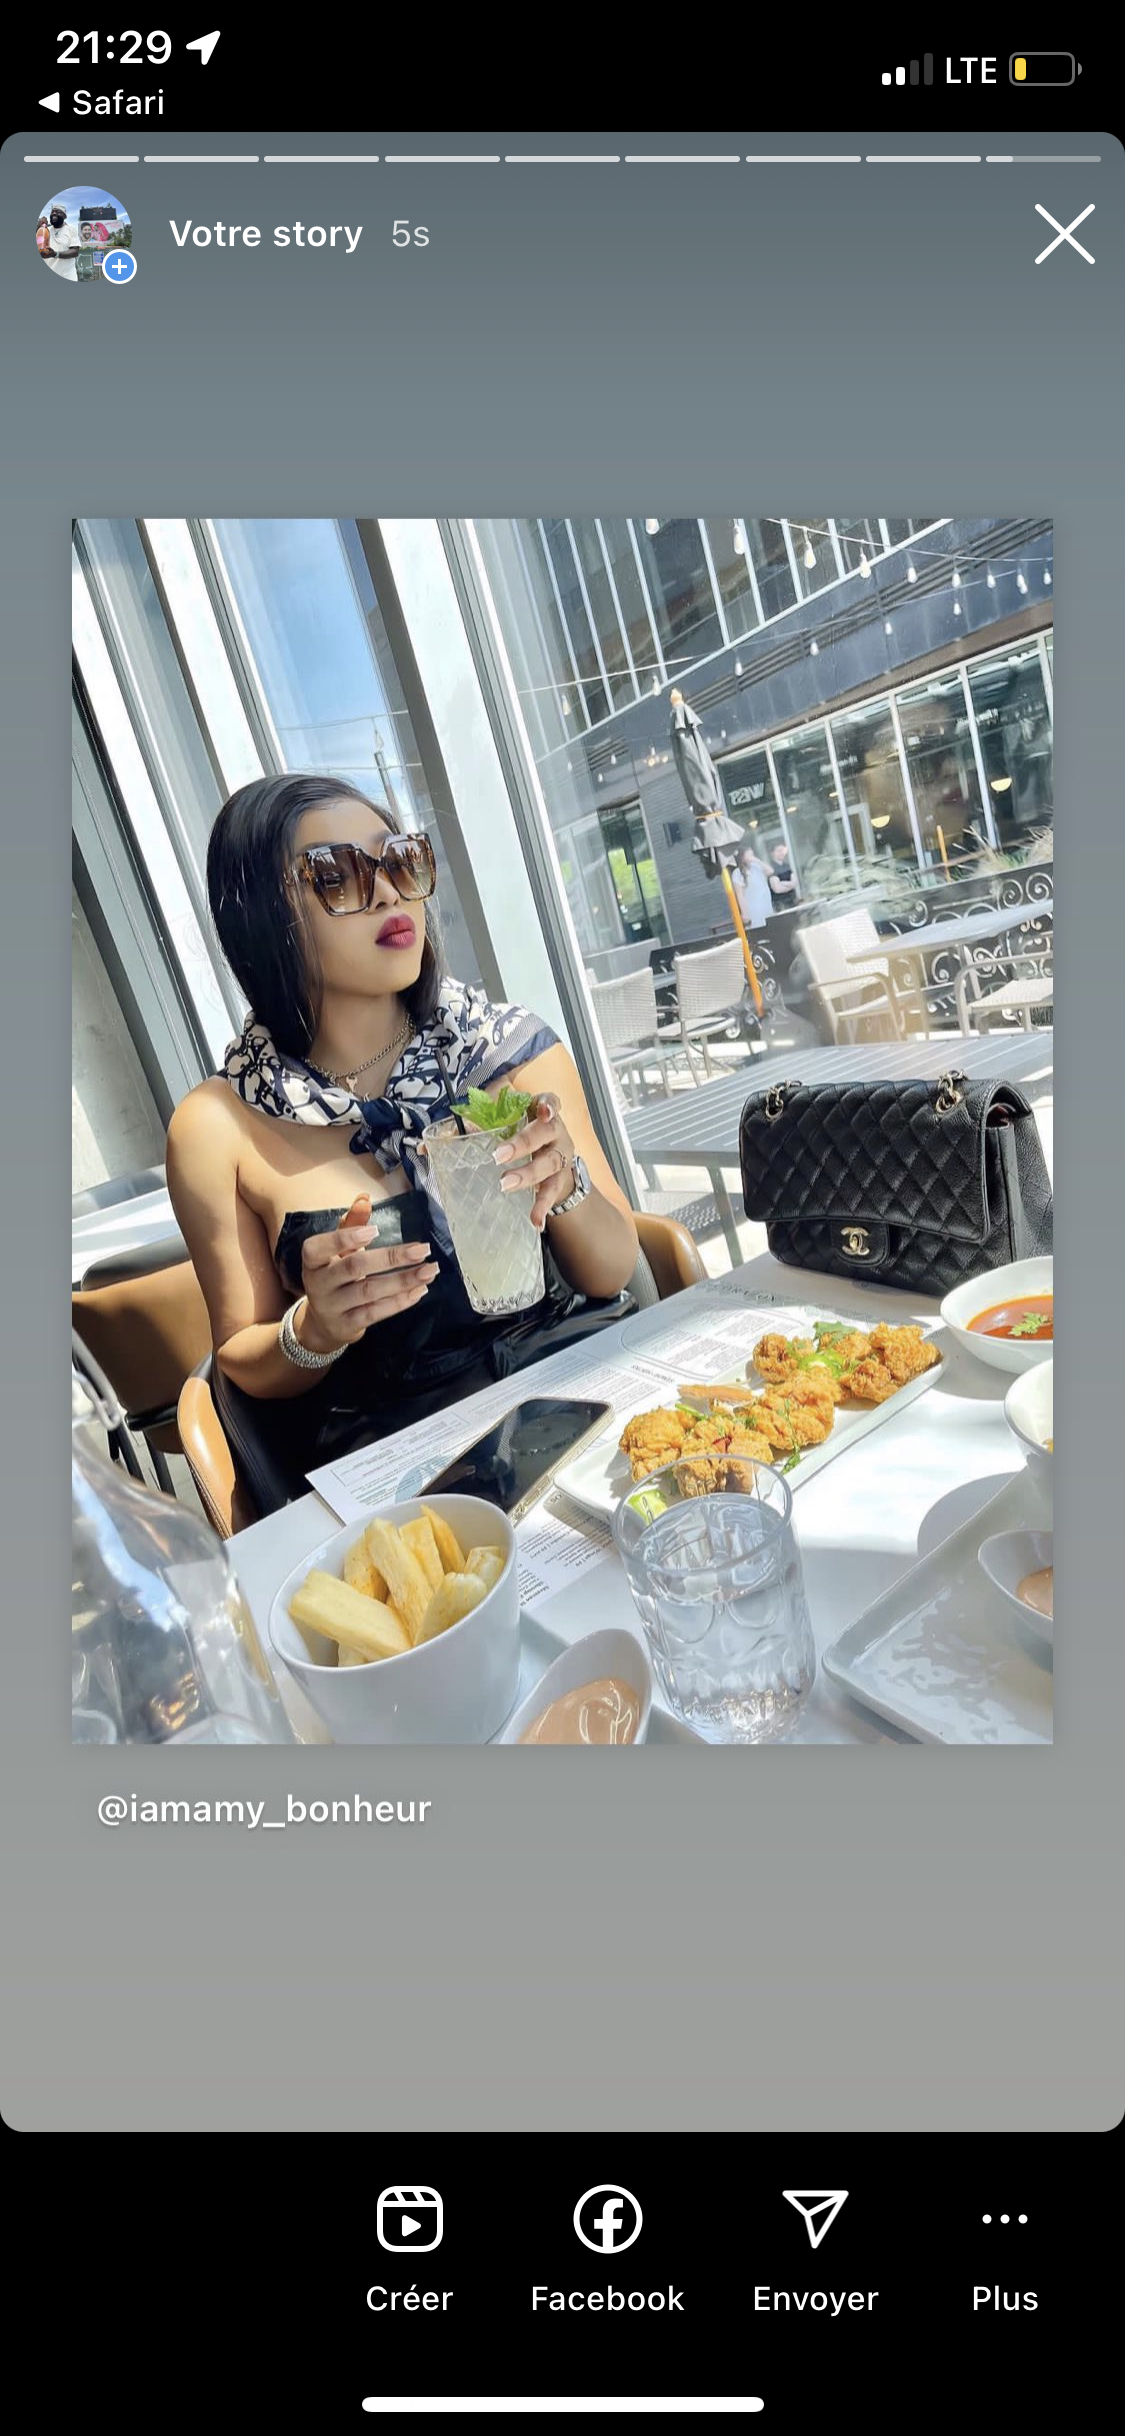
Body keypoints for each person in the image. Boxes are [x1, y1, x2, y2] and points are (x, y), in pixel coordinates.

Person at [166, 774, 641, 1505]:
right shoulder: (217, 1125)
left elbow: (613, 1270)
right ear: (262, 917)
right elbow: (241, 1358)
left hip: (583, 1389)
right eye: (337, 876)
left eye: (400, 860)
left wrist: (565, 1182)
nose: (389, 893)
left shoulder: (504, 1050)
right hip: (411, 1461)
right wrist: (314, 1329)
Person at [731, 843, 772, 930]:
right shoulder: (737, 873)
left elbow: (770, 871)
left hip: (766, 905)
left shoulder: (756, 866)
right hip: (754, 909)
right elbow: (740, 895)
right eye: (749, 855)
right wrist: (745, 913)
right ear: (742, 857)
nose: (751, 857)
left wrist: (757, 861)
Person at [768, 841, 798, 906]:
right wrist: (790, 885)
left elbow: (795, 883)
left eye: (782, 850)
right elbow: (777, 889)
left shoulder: (787, 866)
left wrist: (782, 883)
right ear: (772, 853)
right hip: (780, 904)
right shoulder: (771, 868)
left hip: (792, 901)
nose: (781, 853)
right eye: (778, 851)